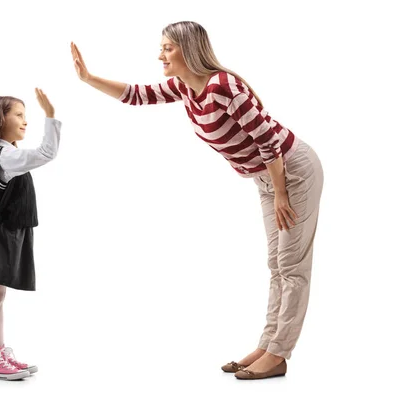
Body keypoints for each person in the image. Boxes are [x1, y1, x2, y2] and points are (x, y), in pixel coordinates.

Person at [71, 21, 324, 380]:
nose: (160, 54)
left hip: (292, 172)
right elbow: (136, 95)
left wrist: (281, 192)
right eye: (161, 47)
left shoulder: (224, 86)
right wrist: (89, 78)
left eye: (167, 48)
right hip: (267, 178)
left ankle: (280, 353)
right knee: (276, 261)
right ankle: (268, 345)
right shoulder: (185, 87)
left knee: (292, 263)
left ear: (189, 50)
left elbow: (267, 139)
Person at [0, 89, 61, 380]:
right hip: (3, 232)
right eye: (19, 115)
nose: (25, 122)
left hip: (8, 231)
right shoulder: (7, 156)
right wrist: (51, 115)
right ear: (1, 119)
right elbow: (46, 153)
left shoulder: (4, 152)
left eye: (27, 116)